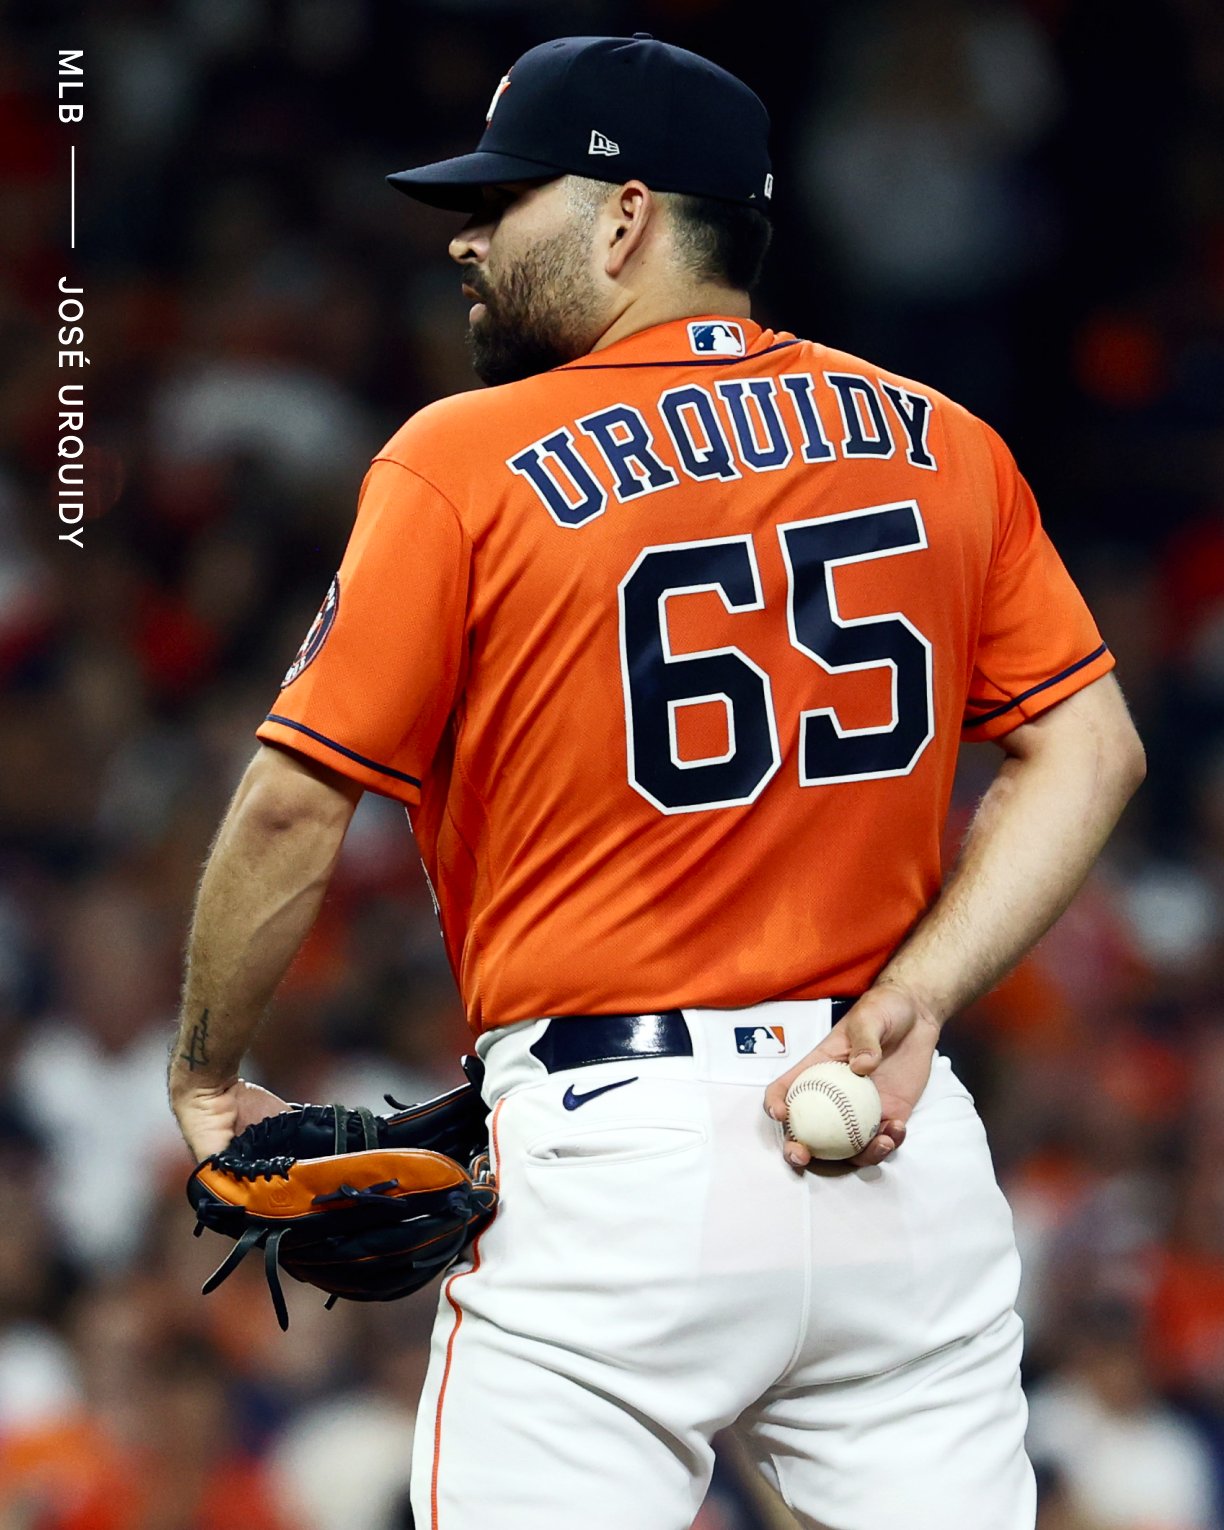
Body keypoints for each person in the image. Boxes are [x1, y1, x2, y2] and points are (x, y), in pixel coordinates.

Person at [167, 33, 1145, 1530]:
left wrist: (205, 1072)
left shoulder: (467, 456)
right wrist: (918, 995)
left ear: (626, 217)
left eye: (507, 197)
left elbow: (297, 804)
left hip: (614, 1155)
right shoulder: (944, 438)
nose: (466, 236)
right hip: (891, 1138)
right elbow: (1092, 745)